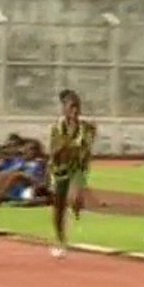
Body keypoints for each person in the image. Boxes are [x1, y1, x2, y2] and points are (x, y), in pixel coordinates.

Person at [47, 90, 96, 258]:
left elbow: (86, 149)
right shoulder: (57, 128)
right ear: (65, 109)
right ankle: (60, 240)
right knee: (58, 208)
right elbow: (54, 152)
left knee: (74, 198)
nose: (75, 111)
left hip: (77, 168)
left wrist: (78, 151)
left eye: (77, 107)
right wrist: (64, 147)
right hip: (59, 169)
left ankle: (77, 205)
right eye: (71, 107)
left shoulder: (86, 127)